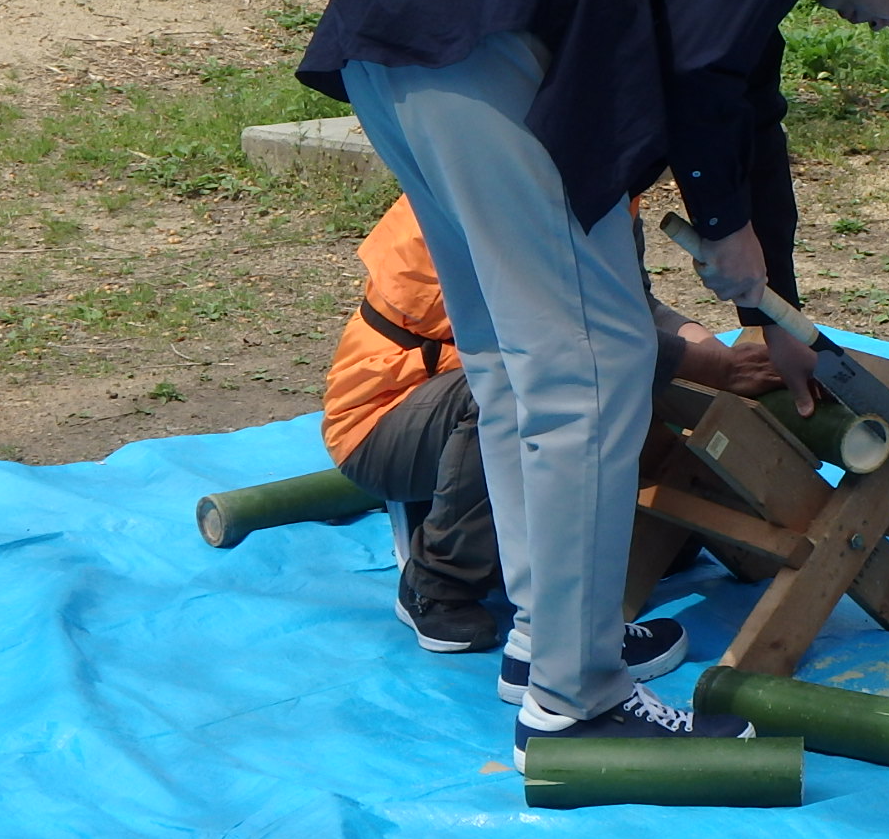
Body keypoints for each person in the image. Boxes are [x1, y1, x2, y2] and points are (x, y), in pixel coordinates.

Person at [297, 0, 889, 770]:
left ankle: (550, 639)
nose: (880, 26)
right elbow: (704, 61)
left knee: (511, 361)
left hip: (416, 22)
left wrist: (778, 319)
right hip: (489, 24)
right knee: (593, 365)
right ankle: (576, 700)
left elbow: (747, 100)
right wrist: (724, 229)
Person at [321, 193, 783, 664]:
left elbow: (631, 306)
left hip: (466, 382)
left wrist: (712, 353)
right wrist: (712, 368)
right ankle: (436, 582)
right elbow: (578, 332)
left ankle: (633, 529)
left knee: (606, 376)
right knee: (529, 388)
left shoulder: (604, 184)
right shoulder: (513, 181)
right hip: (383, 419)